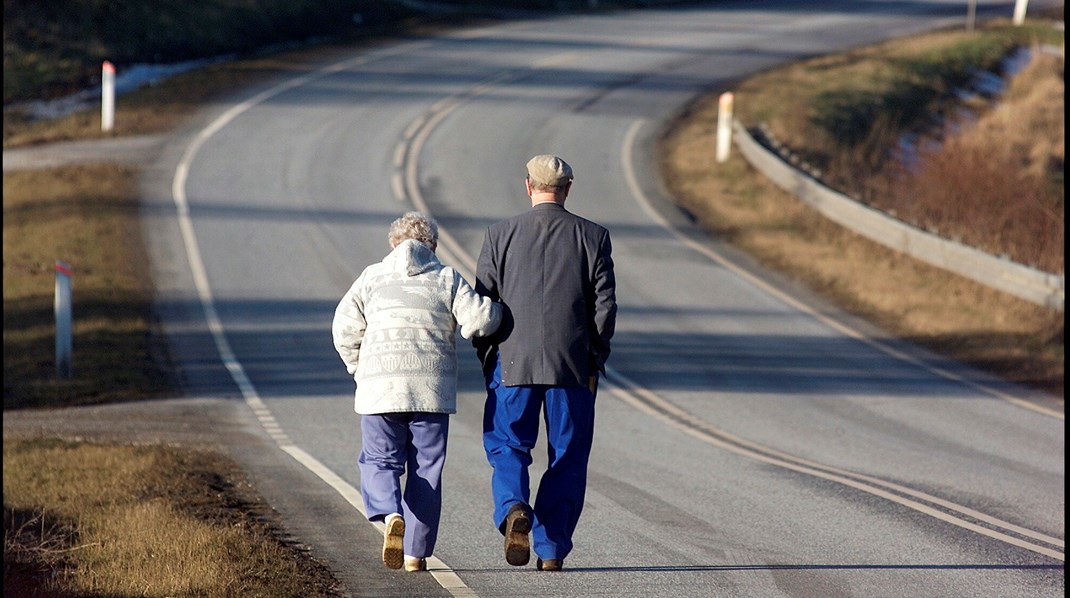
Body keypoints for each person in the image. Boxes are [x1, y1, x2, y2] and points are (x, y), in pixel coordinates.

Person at [332, 211, 502, 572]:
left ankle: (390, 513)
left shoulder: (371, 277)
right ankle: (415, 554)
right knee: (427, 469)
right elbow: (479, 321)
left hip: (380, 389)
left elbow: (344, 328)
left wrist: (359, 369)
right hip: (431, 391)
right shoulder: (447, 278)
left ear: (393, 244)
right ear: (434, 247)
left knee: (379, 460)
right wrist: (500, 310)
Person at [473, 155, 617, 571]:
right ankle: (551, 549)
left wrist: (488, 356)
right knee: (568, 455)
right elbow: (604, 307)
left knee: (507, 444)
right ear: (568, 188)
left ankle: (514, 506)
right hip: (572, 364)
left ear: (528, 186)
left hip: (512, 362)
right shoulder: (593, 236)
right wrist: (594, 355)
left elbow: (483, 305)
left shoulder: (499, 235)